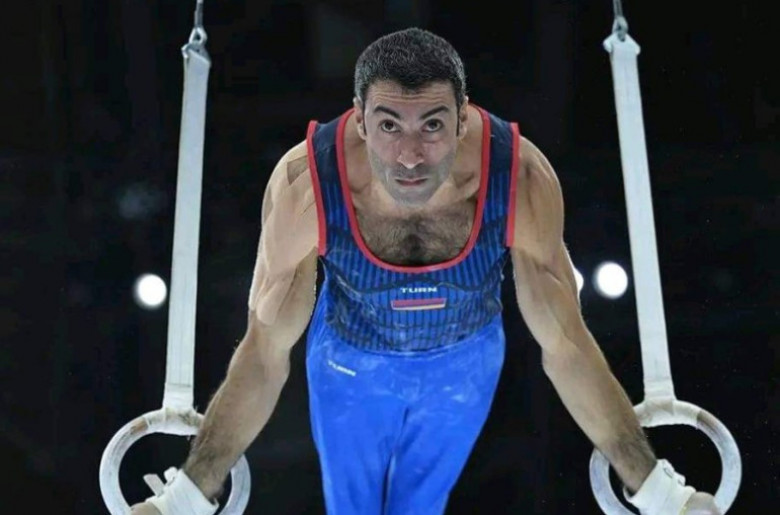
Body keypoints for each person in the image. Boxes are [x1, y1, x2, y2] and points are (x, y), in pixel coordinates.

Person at [133, 27, 720, 515]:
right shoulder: (306, 189)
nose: (410, 156)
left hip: (463, 368)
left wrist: (659, 493)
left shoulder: (517, 178)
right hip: (348, 365)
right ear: (360, 121)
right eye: (390, 126)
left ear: (462, 119)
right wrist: (185, 496)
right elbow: (263, 353)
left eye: (432, 125)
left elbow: (567, 346)